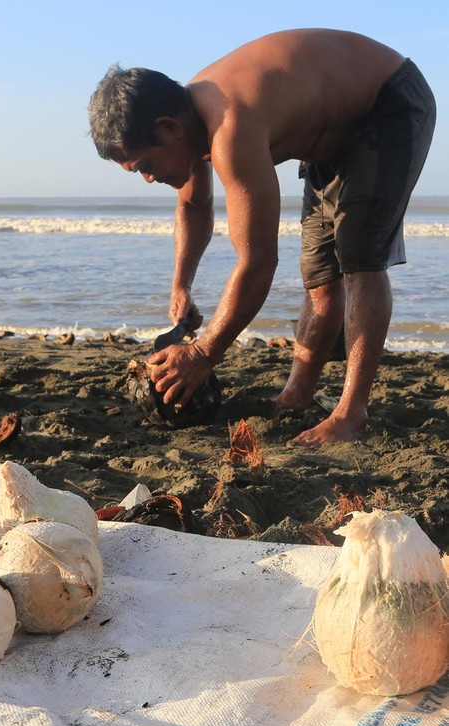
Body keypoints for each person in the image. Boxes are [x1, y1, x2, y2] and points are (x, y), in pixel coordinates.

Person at [87, 29, 436, 445]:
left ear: (168, 128)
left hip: (388, 101)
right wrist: (182, 284)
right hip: (332, 137)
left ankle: (350, 415)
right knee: (321, 275)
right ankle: (297, 395)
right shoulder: (185, 118)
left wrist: (202, 354)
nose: (148, 178)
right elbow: (194, 206)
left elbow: (258, 263)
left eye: (144, 164)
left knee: (360, 256)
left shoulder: (229, 125)